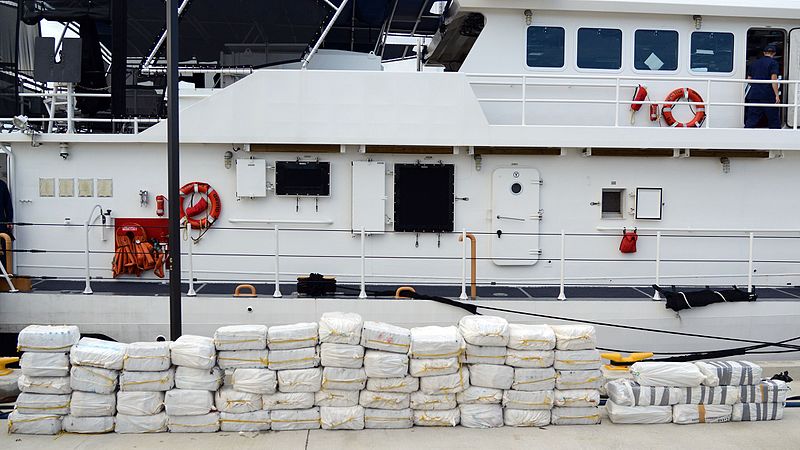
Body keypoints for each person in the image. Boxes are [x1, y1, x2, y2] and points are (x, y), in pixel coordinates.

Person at [745, 44, 781, 129]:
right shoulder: (773, 63)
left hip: (754, 94)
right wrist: (777, 95)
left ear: (764, 53)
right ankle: (776, 137)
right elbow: (774, 79)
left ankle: (746, 137)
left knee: (752, 119)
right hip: (768, 94)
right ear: (774, 53)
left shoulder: (754, 63)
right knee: (773, 119)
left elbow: (749, 80)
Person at [0, 179, 11, 272]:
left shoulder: (2, 185)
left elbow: (8, 205)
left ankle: (3, 273)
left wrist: (9, 221)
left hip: (1, 222)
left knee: (2, 250)